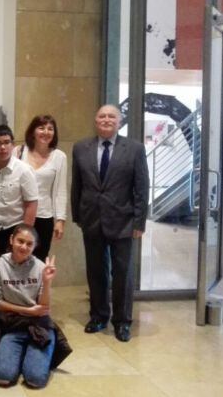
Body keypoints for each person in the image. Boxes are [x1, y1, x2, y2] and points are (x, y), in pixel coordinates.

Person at [71, 105, 149, 342]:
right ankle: (98, 316)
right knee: (96, 271)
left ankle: (122, 321)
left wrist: (139, 221)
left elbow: (142, 188)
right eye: (102, 116)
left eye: (111, 116)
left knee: (122, 273)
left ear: (120, 121)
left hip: (124, 221)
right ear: (95, 121)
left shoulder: (134, 149)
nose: (106, 120)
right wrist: (77, 215)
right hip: (92, 219)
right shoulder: (81, 147)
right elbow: (77, 184)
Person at [0, 224, 57, 388]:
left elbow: (43, 307)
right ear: (12, 240)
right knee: (3, 377)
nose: (24, 247)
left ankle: (46, 344)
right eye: (20, 241)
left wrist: (47, 282)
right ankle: (21, 353)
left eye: (29, 244)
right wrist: (27, 310)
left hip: (38, 325)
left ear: (35, 246)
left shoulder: (40, 267)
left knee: (35, 380)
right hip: (13, 325)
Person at [0, 125, 38, 254]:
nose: (2, 147)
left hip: (15, 229)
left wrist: (23, 236)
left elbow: (31, 205)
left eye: (6, 142)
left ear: (13, 144)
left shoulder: (24, 171)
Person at [16, 115, 67, 261]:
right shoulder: (19, 152)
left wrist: (60, 220)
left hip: (44, 216)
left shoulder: (59, 157)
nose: (46, 132)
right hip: (20, 214)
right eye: (41, 128)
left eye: (50, 129)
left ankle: (39, 285)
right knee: (17, 258)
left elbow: (60, 192)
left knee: (39, 259)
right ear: (32, 131)